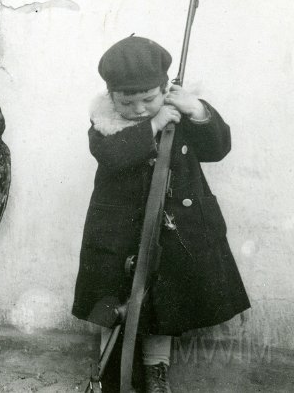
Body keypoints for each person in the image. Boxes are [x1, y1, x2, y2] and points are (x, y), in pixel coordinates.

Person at [71, 36, 250, 393]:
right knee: (113, 304)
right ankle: (108, 374)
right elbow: (113, 156)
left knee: (162, 308)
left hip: (170, 230)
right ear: (111, 98)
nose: (138, 109)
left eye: (148, 101)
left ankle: (157, 372)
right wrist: (152, 126)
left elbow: (218, 148)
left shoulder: (179, 112)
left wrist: (196, 110)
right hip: (118, 234)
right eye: (127, 102)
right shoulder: (104, 125)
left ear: (165, 89)